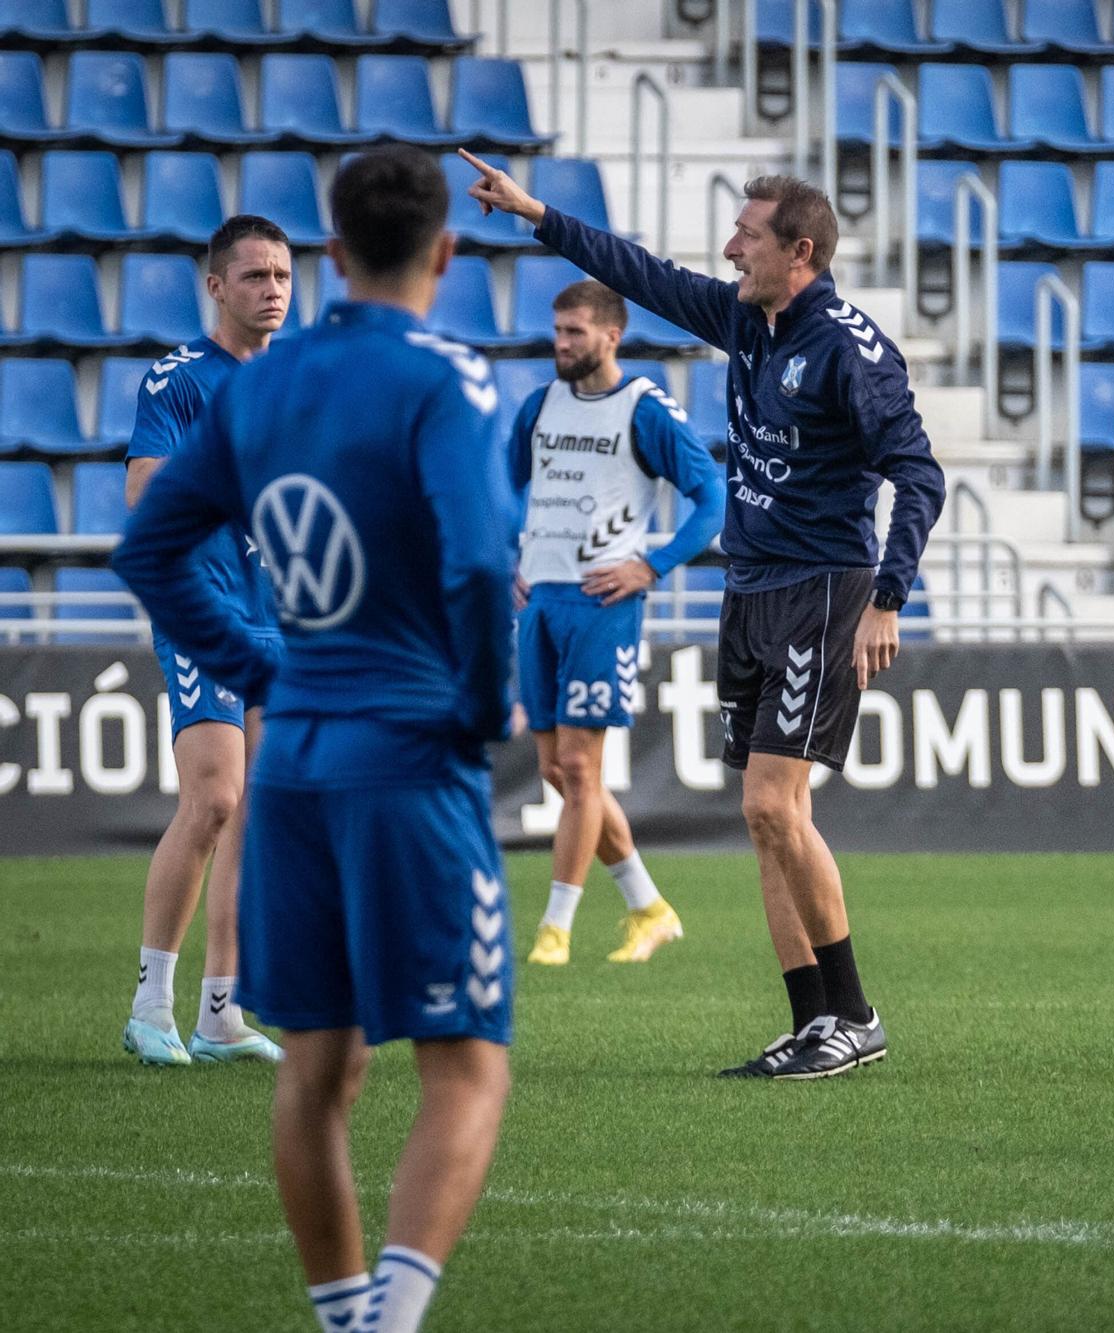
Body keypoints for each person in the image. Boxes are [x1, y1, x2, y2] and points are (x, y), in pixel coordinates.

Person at [113, 148, 518, 1333]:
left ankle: (345, 1318)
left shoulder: (259, 392)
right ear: (445, 253)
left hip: (295, 757)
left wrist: (262, 669)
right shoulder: (450, 378)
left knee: (316, 1068)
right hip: (408, 754)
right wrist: (480, 708)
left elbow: (145, 550)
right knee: (465, 1066)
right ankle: (388, 1323)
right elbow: (484, 561)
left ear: (331, 259)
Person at [460, 152, 945, 1080]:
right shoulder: (743, 318)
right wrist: (538, 215)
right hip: (752, 585)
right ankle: (812, 1023)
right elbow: (644, 273)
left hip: (823, 586)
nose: (729, 250)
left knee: (773, 802)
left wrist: (888, 597)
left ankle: (856, 1014)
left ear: (798, 251)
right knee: (761, 817)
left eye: (747, 237)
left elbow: (918, 475)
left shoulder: (849, 348)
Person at [121, 214, 292, 1067]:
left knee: (256, 816)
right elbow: (146, 490)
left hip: (282, 616)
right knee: (216, 797)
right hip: (207, 607)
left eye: (284, 277)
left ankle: (218, 1014)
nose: (273, 290)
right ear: (216, 286)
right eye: (256, 276)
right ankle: (150, 1004)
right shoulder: (179, 379)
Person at [514, 278, 724, 966]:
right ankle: (648, 905)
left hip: (604, 603)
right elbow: (504, 487)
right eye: (558, 331)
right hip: (539, 601)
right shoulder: (540, 405)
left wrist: (652, 564)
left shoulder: (643, 408)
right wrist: (505, 553)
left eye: (575, 332)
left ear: (613, 335)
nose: (561, 344)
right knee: (557, 769)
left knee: (579, 765)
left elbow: (711, 498)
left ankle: (555, 929)